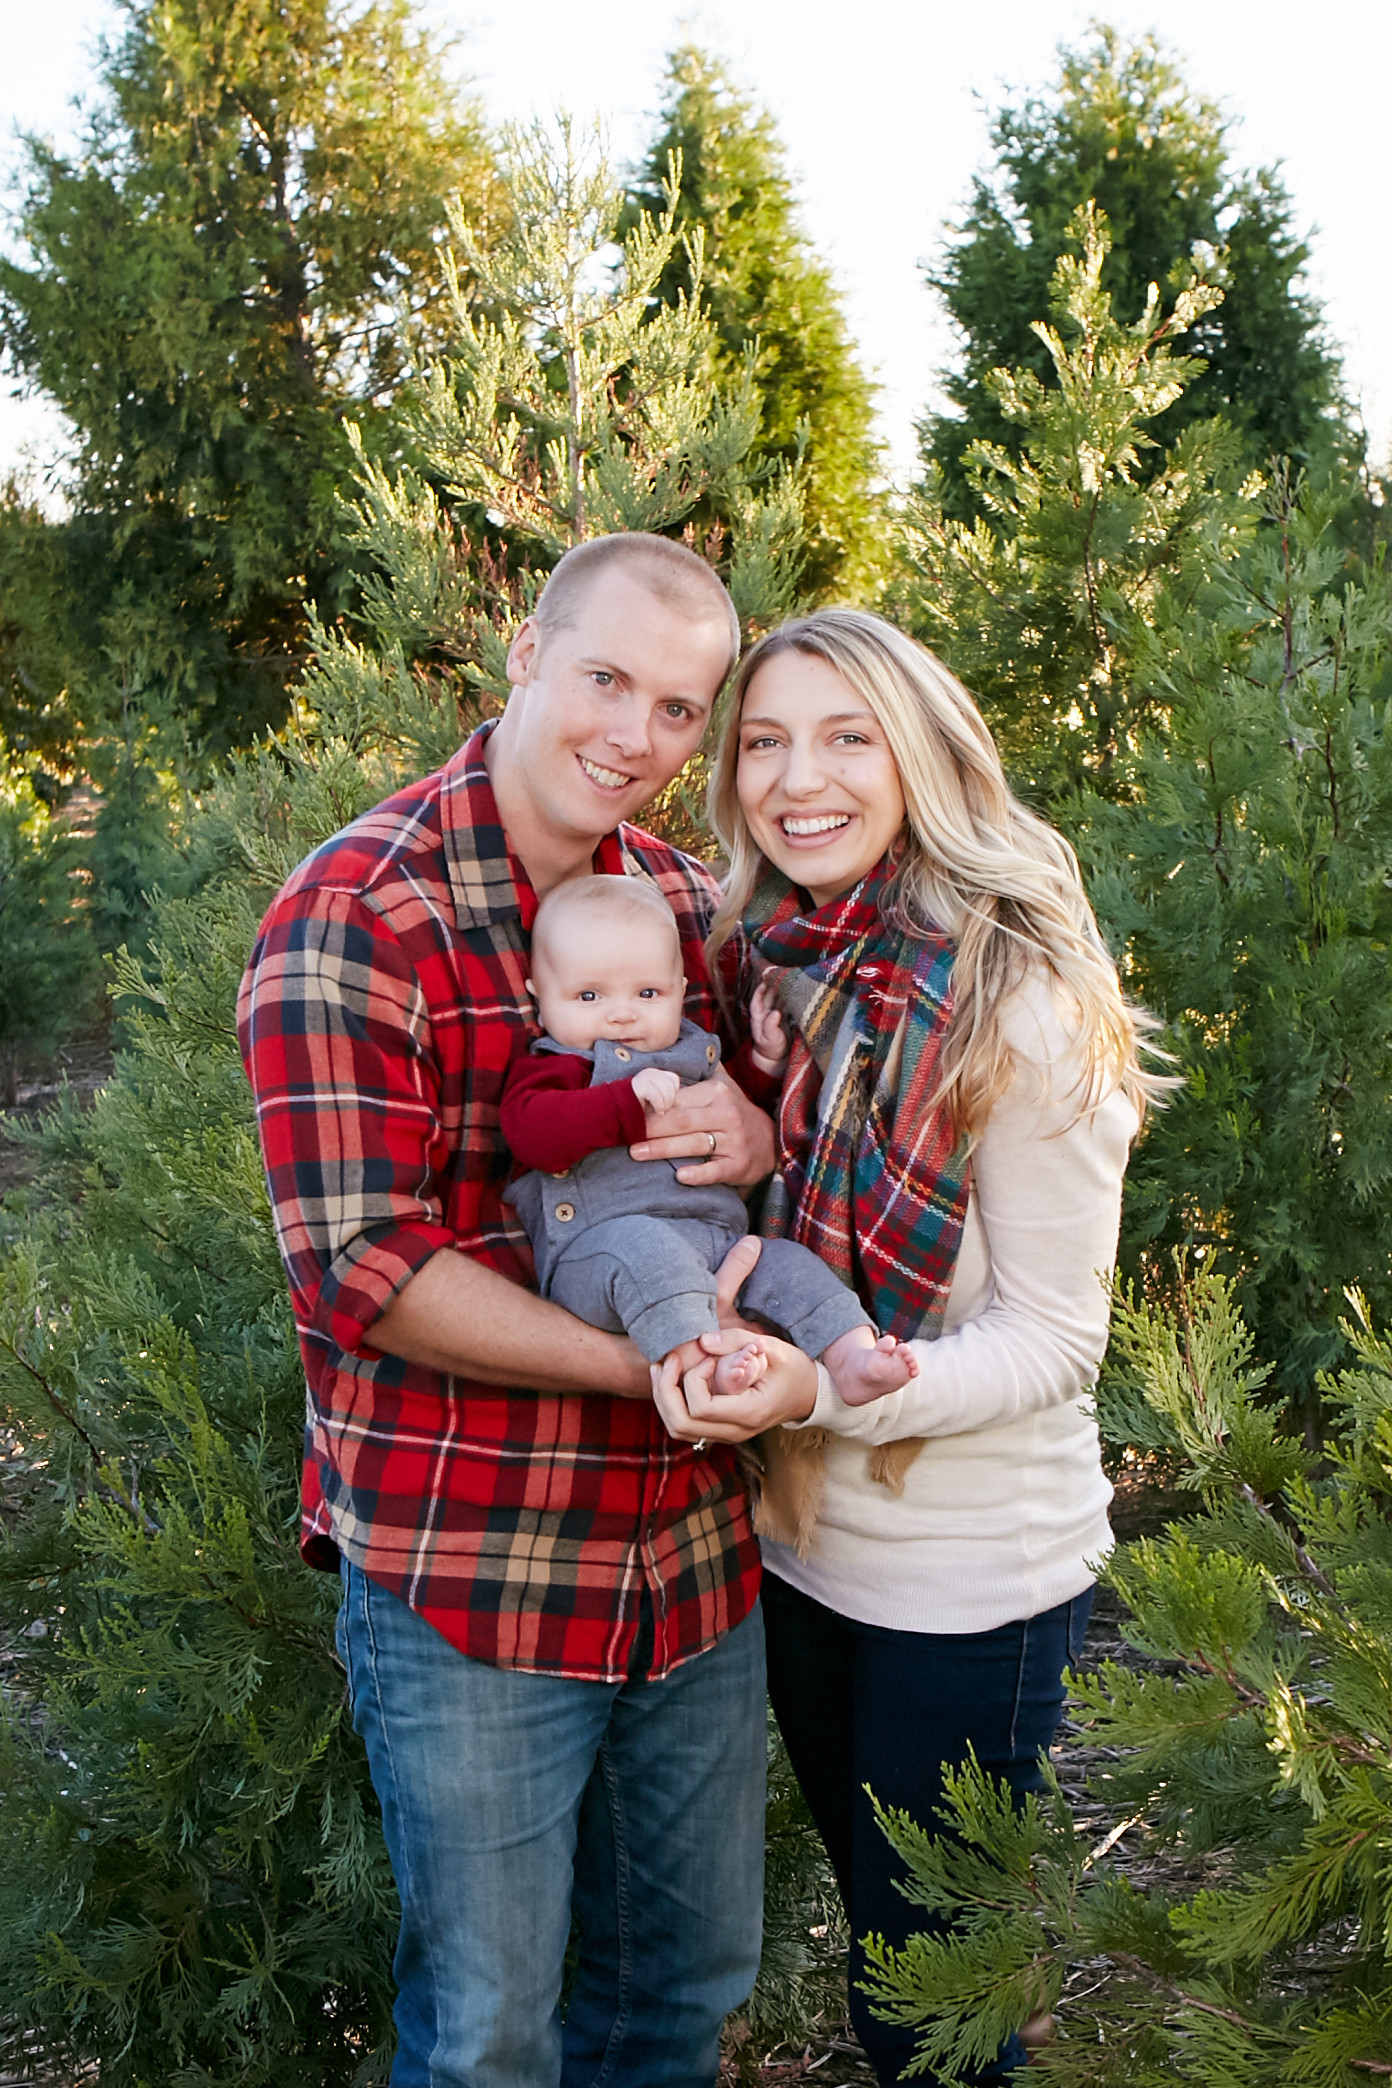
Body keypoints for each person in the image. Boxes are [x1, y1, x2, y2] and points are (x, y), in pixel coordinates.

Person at [236, 532, 820, 2088]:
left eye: (681, 709)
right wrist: (651, 1364)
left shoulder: (687, 907)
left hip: (690, 1567)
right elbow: (365, 1269)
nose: (637, 736)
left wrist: (757, 1133)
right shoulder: (356, 915)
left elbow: (777, 1146)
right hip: (475, 1569)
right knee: (488, 2036)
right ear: (524, 656)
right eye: (607, 680)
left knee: (680, 1997)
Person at [652, 608, 1167, 2086]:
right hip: (805, 1553)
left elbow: (1056, 1340)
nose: (795, 778)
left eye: (846, 736)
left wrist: (834, 1387)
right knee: (911, 1973)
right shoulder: (780, 970)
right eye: (763, 741)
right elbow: (781, 1214)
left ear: (923, 754)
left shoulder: (1021, 1000)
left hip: (969, 1587)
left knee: (928, 2022)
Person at [500, 871, 919, 1401]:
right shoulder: (556, 1069)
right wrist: (624, 1102)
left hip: (718, 1243)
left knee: (791, 1265)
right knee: (649, 1255)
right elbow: (532, 1135)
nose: (621, 1013)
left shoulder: (690, 1050)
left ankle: (852, 1355)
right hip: (602, 1254)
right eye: (588, 995)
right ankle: (702, 1366)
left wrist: (762, 1063)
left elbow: (727, 1108)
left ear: (679, 991)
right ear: (540, 999)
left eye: (647, 992)